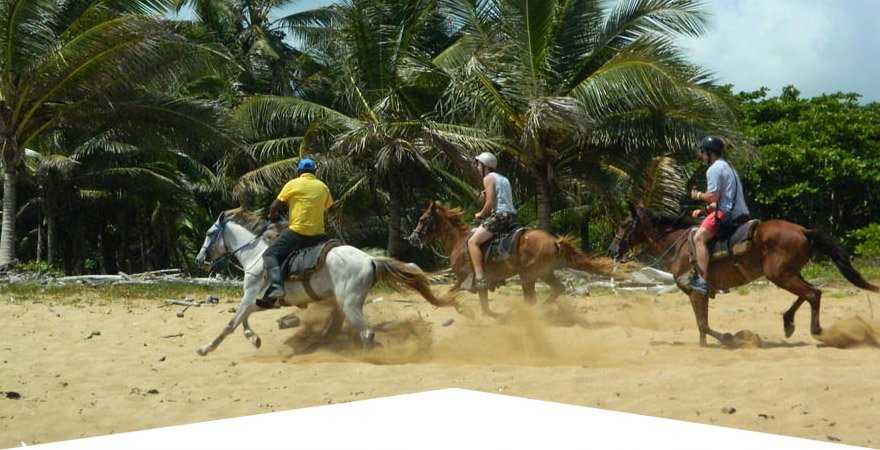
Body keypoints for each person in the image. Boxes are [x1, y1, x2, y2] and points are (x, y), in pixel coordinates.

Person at [258, 157, 334, 309]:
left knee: (270, 255)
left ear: (299, 171)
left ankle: (277, 288)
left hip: (298, 232)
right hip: (319, 235)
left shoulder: (293, 184)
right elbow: (332, 209)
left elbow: (274, 206)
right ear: (314, 172)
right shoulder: (323, 187)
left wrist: (272, 215)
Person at [689, 136, 750, 295]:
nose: (701, 157)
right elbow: (721, 200)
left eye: (702, 153)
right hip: (741, 212)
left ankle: (702, 281)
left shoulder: (714, 169)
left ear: (710, 153)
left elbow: (713, 197)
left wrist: (697, 195)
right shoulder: (729, 167)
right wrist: (703, 211)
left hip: (726, 214)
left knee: (699, 238)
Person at [467, 152, 517, 291]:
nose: (477, 167)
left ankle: (480, 277)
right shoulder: (503, 178)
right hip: (511, 217)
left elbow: (490, 203)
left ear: (484, 165)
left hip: (500, 217)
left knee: (472, 242)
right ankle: (496, 274)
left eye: (478, 164)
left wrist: (480, 214)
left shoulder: (488, 178)